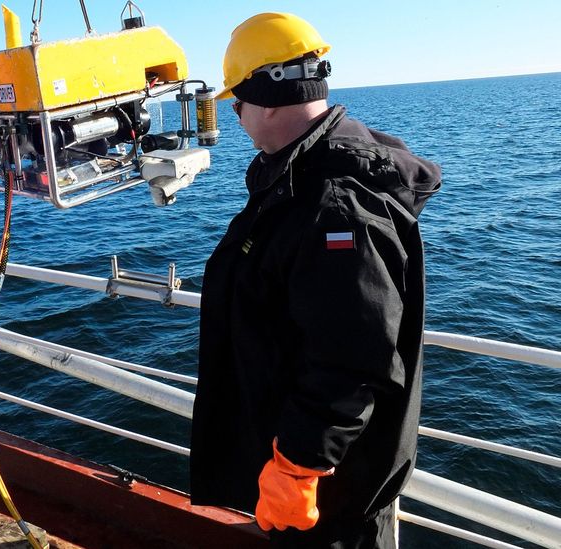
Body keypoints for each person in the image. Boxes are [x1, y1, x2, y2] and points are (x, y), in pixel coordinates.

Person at [189, 12, 441, 548]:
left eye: (238, 99)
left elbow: (352, 360)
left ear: (269, 99)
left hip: (327, 487)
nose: (233, 113)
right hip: (301, 459)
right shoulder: (302, 173)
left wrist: (298, 467)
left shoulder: (334, 208)